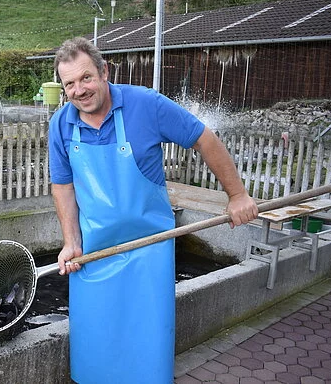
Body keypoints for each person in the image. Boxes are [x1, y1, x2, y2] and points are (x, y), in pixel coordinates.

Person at [48, 37, 258, 383]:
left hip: (151, 249)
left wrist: (237, 196)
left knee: (147, 349)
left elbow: (204, 138)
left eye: (86, 78)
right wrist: (71, 241)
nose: (79, 90)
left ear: (104, 71)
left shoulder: (146, 105)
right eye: (69, 83)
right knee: (94, 350)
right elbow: (63, 185)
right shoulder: (61, 124)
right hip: (94, 254)